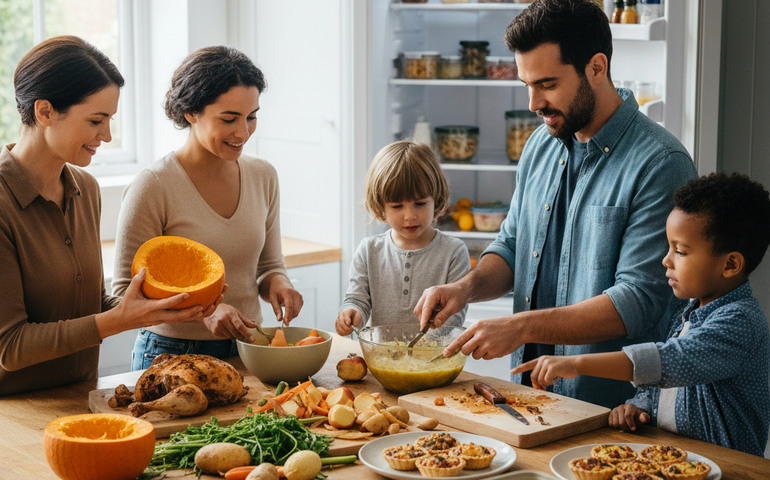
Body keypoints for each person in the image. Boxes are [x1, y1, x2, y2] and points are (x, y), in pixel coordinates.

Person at [414, 0, 698, 408]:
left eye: (547, 84)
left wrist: (519, 327)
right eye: (526, 85)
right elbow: (513, 247)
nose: (533, 103)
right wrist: (465, 288)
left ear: (596, 68)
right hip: (532, 394)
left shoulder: (660, 164)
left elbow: (637, 301)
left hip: (615, 407)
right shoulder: (538, 145)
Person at [0, 36, 216, 396]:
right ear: (45, 112)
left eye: (110, 119)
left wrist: (162, 306)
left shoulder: (85, 188)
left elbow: (91, 302)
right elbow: (10, 346)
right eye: (96, 120)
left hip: (79, 397)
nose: (108, 135)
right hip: (12, 416)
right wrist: (118, 320)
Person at [513, 172, 770, 456]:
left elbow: (672, 361)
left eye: (680, 251)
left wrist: (576, 363)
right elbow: (663, 386)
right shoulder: (688, 312)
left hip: (731, 469)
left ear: (730, 264)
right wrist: (640, 406)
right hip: (678, 461)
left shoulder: (740, 321)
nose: (666, 259)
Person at [113, 46, 303, 370]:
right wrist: (207, 312)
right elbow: (123, 294)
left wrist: (279, 283)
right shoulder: (153, 185)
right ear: (191, 112)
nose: (243, 132)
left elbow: (269, 264)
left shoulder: (263, 176)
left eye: (251, 117)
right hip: (169, 352)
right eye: (229, 119)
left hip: (248, 348)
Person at [336, 141, 470, 335]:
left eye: (420, 203)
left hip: (432, 361)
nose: (409, 216)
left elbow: (453, 315)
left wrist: (424, 345)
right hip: (382, 360)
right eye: (397, 206)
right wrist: (350, 313)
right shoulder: (369, 250)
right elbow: (357, 300)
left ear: (436, 198)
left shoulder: (454, 252)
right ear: (381, 205)